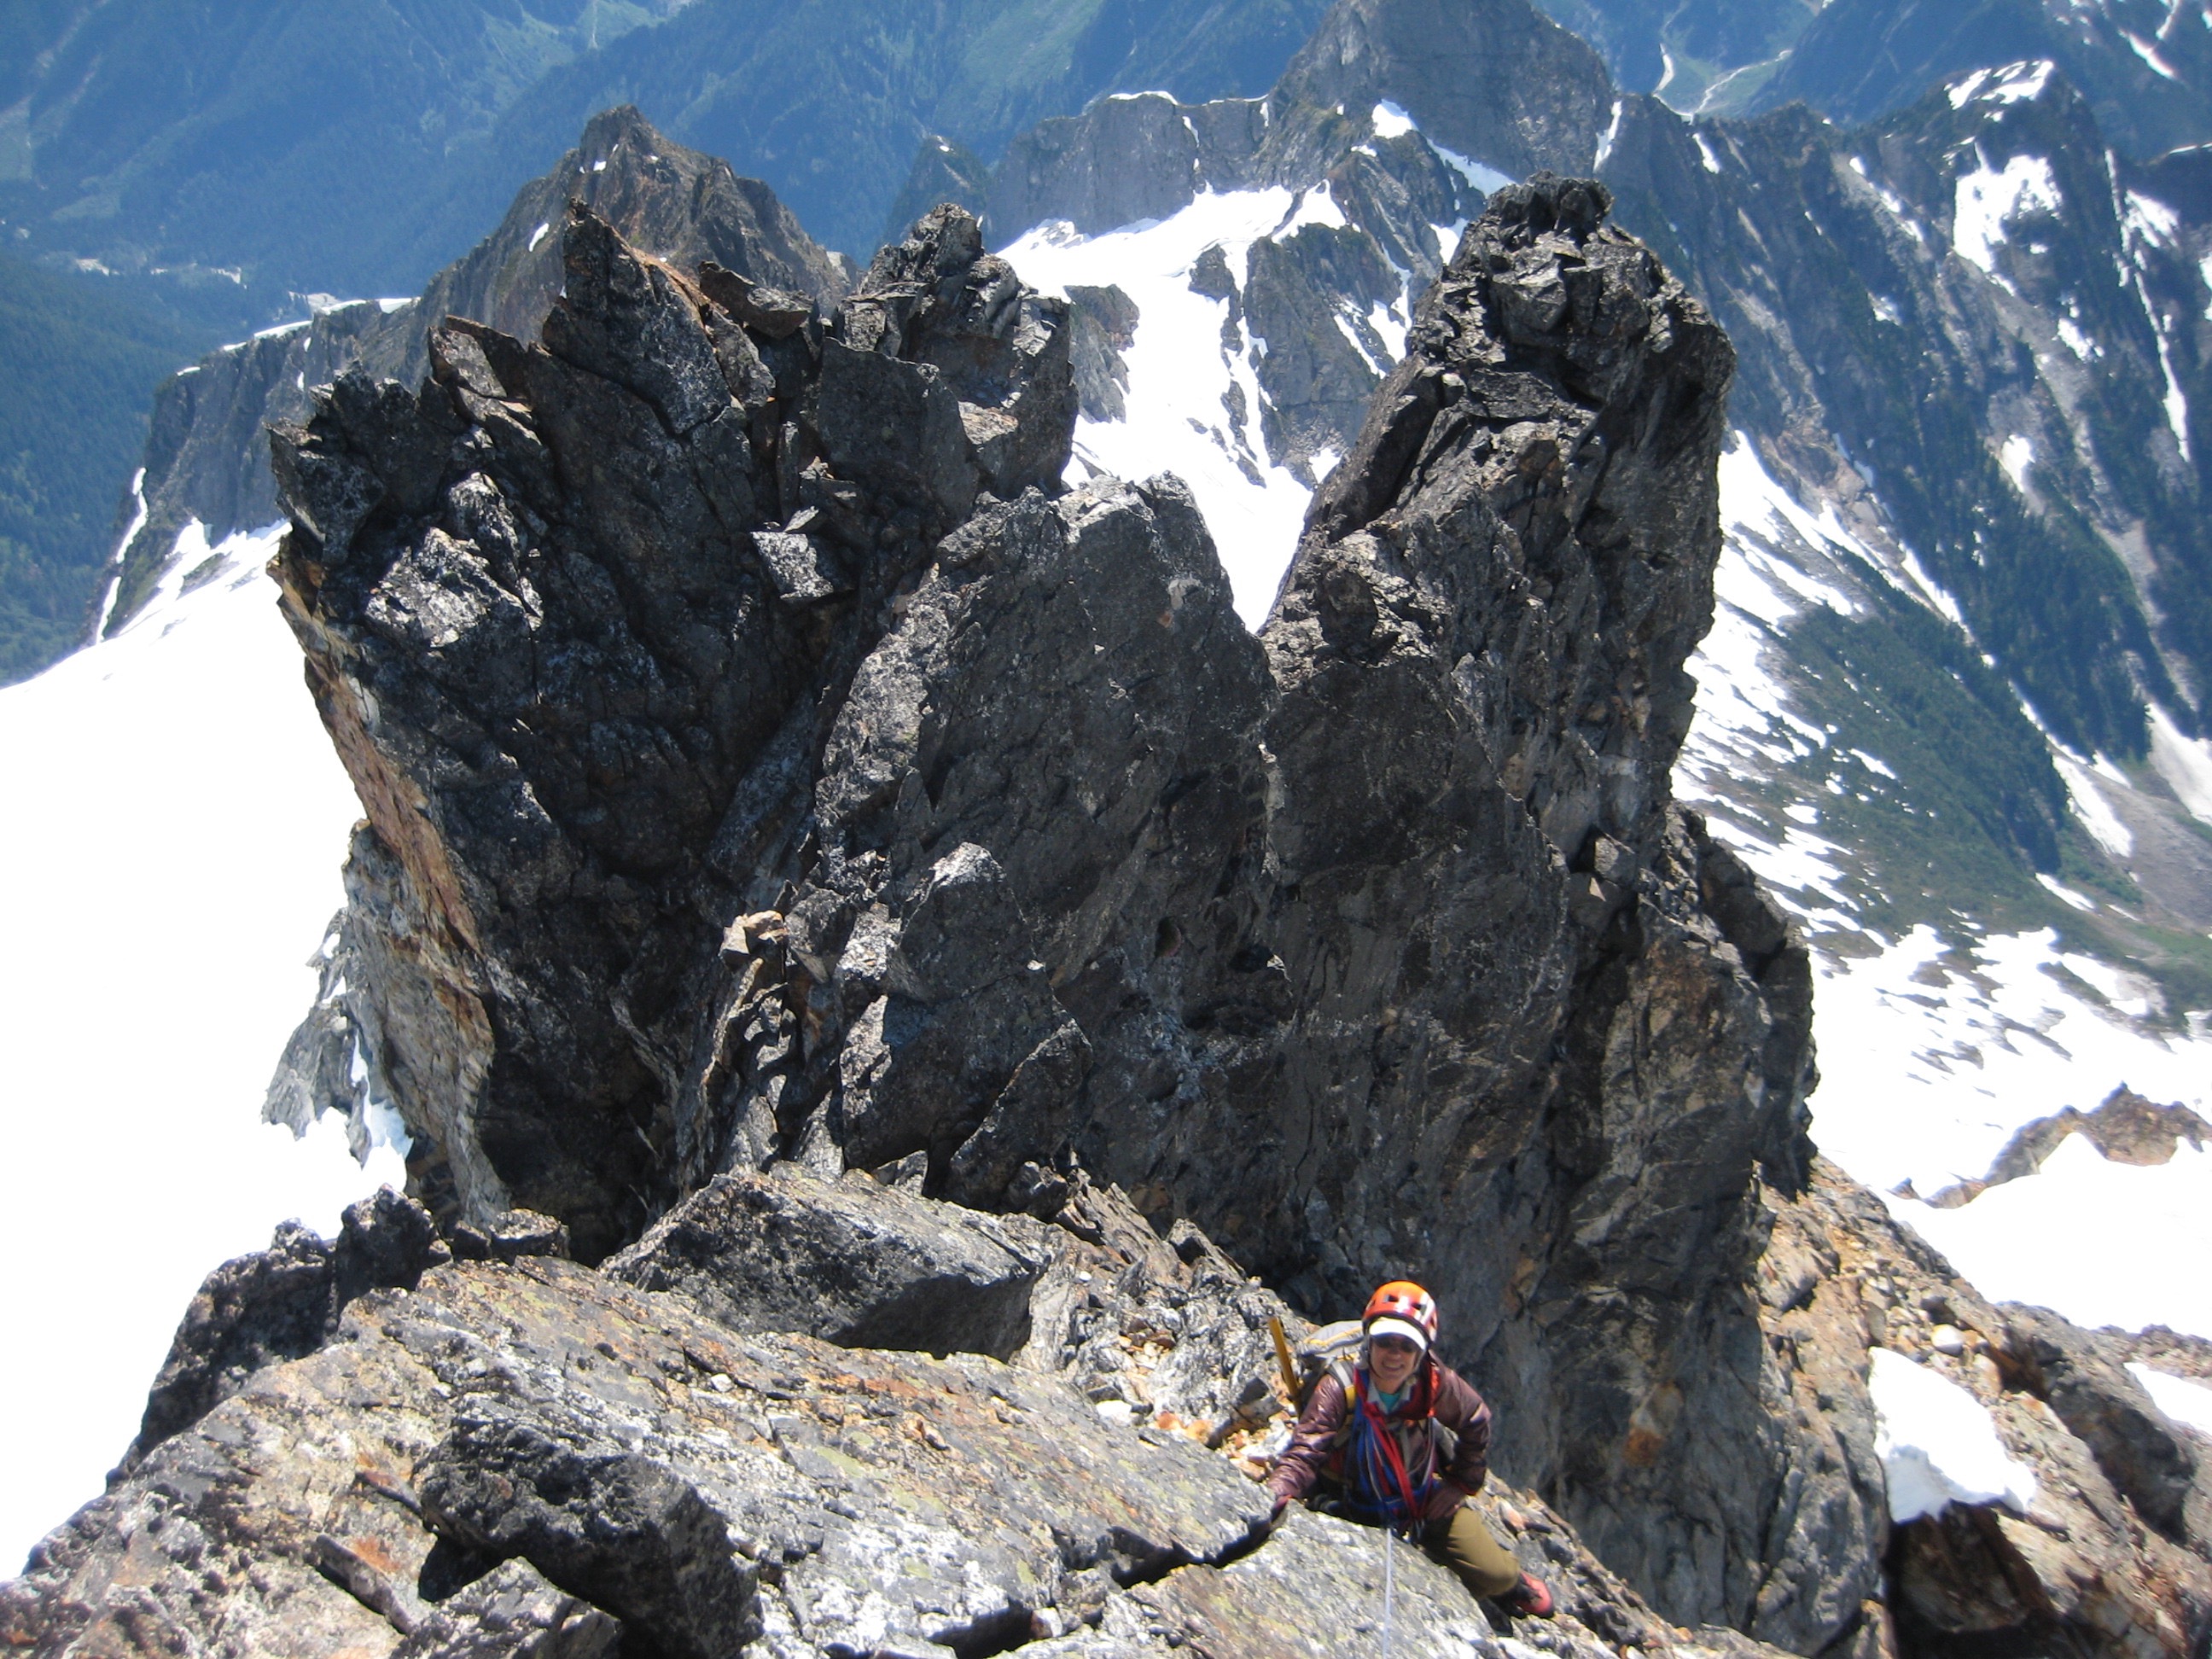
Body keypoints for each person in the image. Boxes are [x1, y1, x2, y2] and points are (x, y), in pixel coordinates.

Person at [1266, 1281, 1555, 1620]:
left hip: (1419, 1498)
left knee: (1498, 1576)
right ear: (1369, 1340)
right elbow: (1306, 1448)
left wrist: (1460, 1484)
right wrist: (1277, 1492)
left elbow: (1476, 1420)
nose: (1395, 1354)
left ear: (1422, 1352)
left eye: (1407, 1346)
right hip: (1348, 1500)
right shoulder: (1340, 1386)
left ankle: (1514, 1584)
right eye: (1385, 1342)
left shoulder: (1433, 1382)